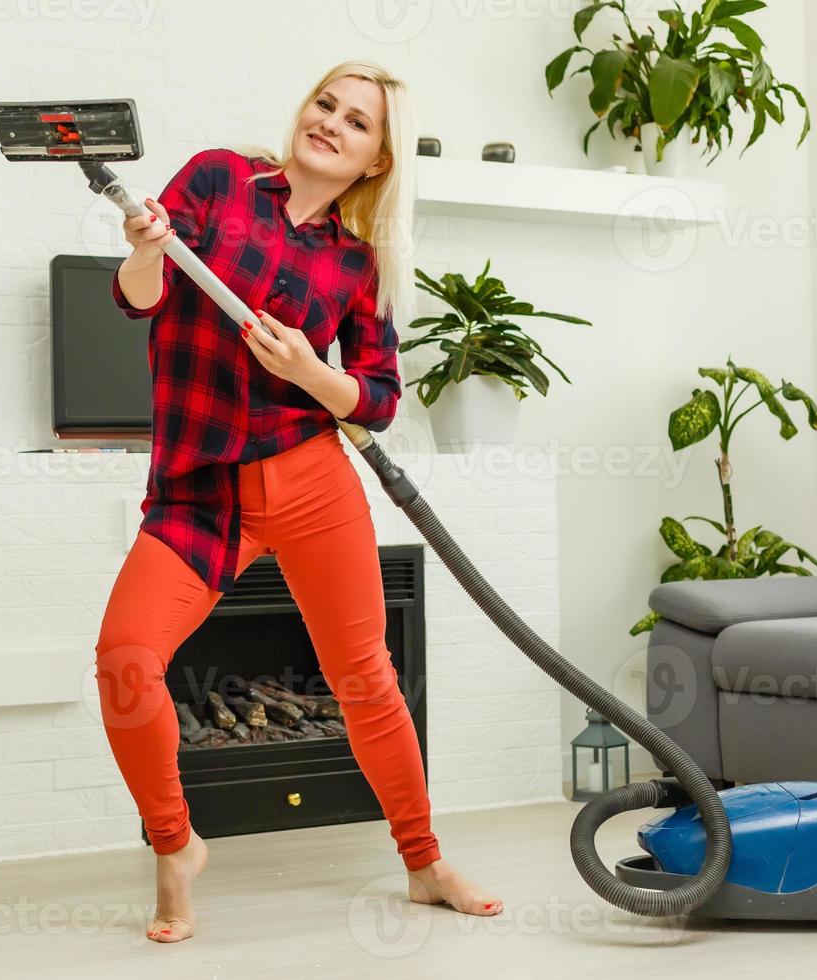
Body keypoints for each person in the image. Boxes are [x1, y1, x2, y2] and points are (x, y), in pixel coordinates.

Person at [96, 61, 503, 945]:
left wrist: (311, 374)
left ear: (375, 163)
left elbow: (381, 396)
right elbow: (143, 297)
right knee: (127, 657)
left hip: (309, 476)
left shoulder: (356, 262)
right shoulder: (216, 180)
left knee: (366, 680)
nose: (331, 124)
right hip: (202, 489)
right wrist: (143, 247)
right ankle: (175, 845)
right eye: (326, 103)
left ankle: (424, 861)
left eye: (358, 123)